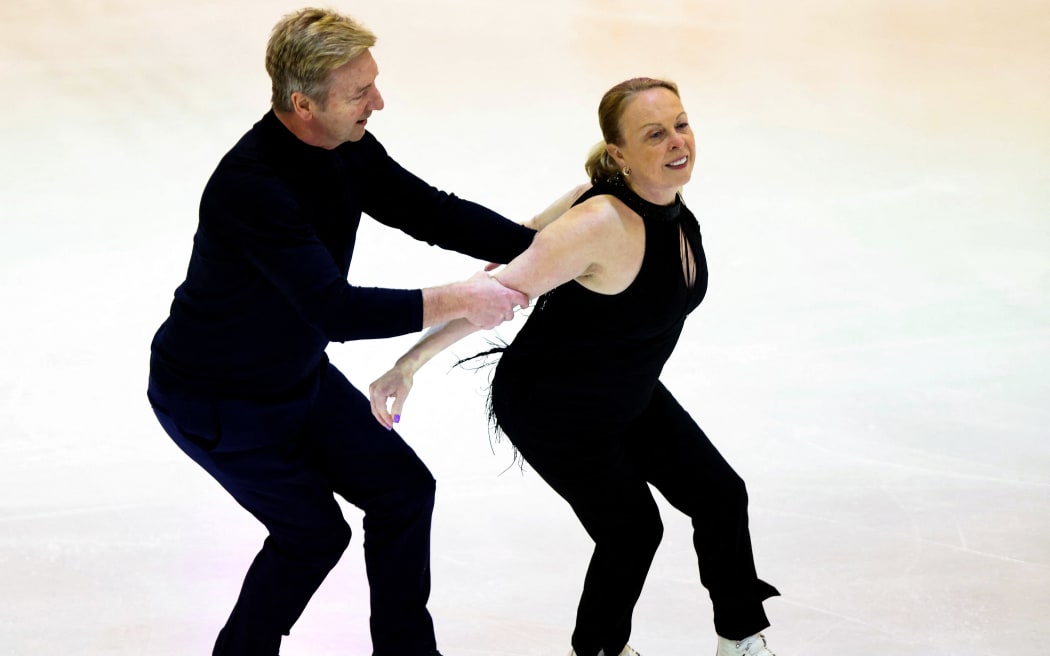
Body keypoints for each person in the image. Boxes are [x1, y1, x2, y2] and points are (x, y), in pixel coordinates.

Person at [143, 7, 566, 656]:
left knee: (402, 491)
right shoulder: (252, 186)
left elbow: (426, 210)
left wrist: (544, 250)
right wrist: (463, 298)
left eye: (374, 81)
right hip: (216, 400)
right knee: (313, 534)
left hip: (294, 377)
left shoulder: (346, 148)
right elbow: (334, 309)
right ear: (301, 104)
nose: (380, 101)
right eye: (359, 91)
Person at [369, 78, 781, 656]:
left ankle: (740, 638)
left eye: (681, 125)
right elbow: (496, 294)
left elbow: (526, 236)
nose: (676, 143)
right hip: (552, 406)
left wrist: (526, 245)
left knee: (719, 495)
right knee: (632, 530)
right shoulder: (600, 224)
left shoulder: (658, 203)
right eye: (654, 134)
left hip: (626, 389)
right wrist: (407, 364)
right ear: (619, 153)